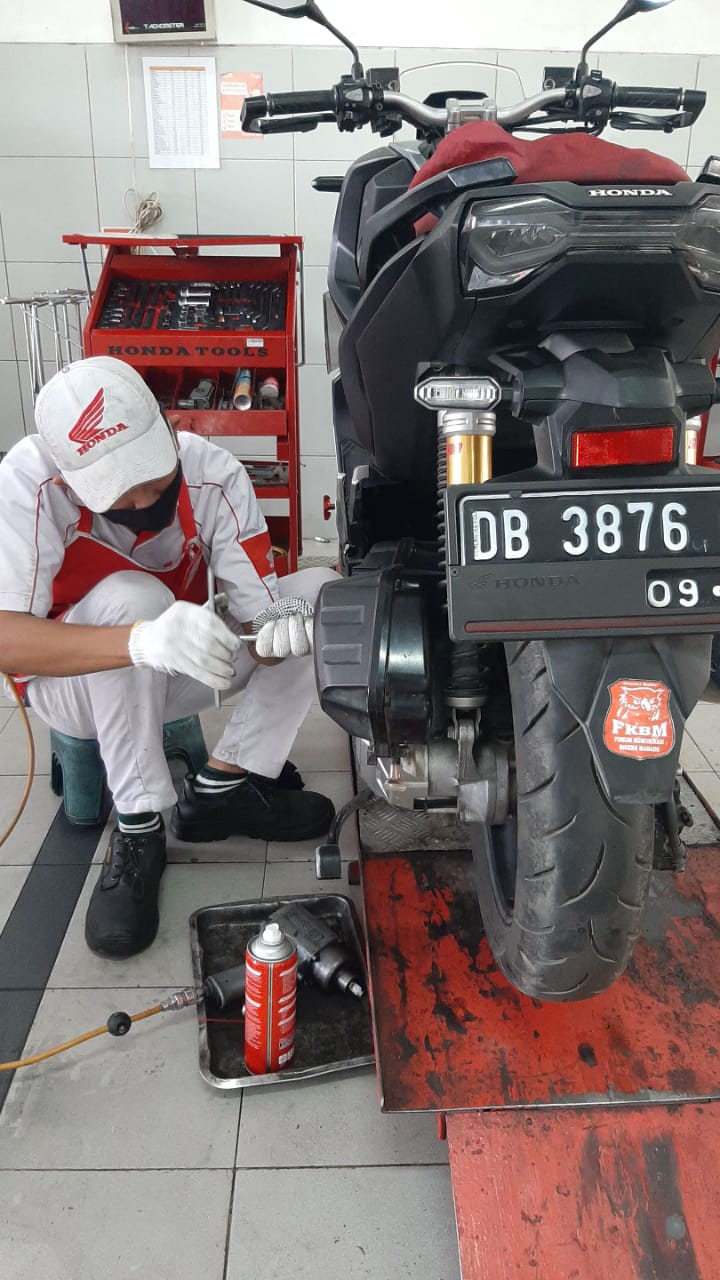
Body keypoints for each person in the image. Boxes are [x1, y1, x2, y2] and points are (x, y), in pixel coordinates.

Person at [0, 357, 337, 959]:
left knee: (321, 596)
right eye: (119, 493)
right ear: (69, 476)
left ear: (167, 428)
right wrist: (139, 640)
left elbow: (261, 622)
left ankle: (224, 786)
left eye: (154, 480)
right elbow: (7, 641)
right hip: (71, 687)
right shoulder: (27, 481)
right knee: (132, 598)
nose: (142, 499)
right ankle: (137, 828)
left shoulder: (214, 475)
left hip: (181, 670)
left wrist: (278, 628)